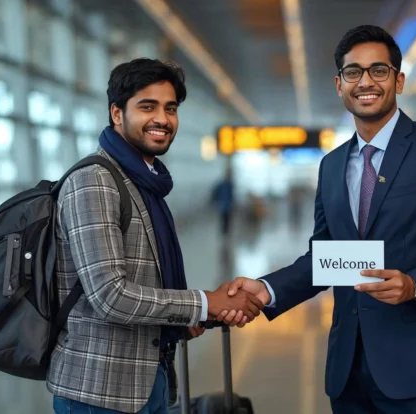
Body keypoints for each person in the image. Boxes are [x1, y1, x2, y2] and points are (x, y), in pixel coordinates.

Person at [225, 25, 416, 413]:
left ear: (398, 80)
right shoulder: (332, 166)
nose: (365, 82)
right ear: (339, 84)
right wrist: (267, 289)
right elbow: (327, 258)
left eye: (378, 71)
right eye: (354, 72)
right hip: (349, 372)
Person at [47, 58, 264, 414]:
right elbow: (109, 295)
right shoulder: (95, 181)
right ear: (117, 113)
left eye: (170, 108)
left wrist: (187, 317)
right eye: (147, 107)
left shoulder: (146, 182)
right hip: (101, 393)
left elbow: (143, 280)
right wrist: (206, 302)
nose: (162, 119)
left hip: (149, 379)